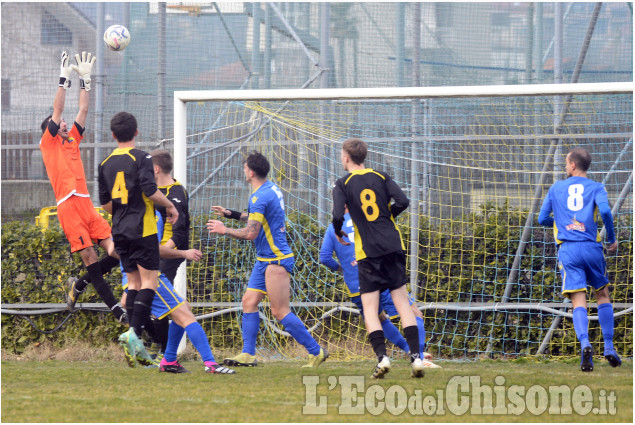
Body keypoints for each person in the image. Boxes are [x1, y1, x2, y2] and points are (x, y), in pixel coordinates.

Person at [207, 151, 328, 368]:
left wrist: (224, 230)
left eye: (245, 168)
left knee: (279, 311)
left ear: (251, 172)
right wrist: (231, 214)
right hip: (264, 259)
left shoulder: (260, 195)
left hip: (276, 259)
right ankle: (248, 354)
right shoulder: (269, 188)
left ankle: (316, 351)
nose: (243, 171)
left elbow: (251, 233)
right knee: (249, 302)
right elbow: (256, 216)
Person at [39, 51, 125, 323]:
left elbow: (83, 110)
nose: (64, 123)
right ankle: (117, 311)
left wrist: (86, 80)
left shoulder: (72, 140)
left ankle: (79, 285)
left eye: (64, 123)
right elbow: (58, 111)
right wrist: (63, 79)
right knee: (89, 255)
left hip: (87, 205)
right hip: (68, 208)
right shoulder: (48, 144)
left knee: (118, 252)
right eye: (59, 124)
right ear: (50, 131)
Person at [332, 138, 424, 379]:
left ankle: (383, 358)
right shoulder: (382, 176)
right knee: (403, 304)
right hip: (393, 245)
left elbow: (336, 215)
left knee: (371, 309)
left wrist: (338, 231)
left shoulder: (342, 183)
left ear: (346, 157)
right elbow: (403, 201)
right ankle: (416, 358)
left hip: (368, 252)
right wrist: (388, 216)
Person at [98, 111, 179, 363]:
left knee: (132, 284)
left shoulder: (104, 163)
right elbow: (150, 189)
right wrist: (169, 206)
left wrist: (123, 208)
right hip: (142, 229)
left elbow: (106, 205)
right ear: (136, 132)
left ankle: (134, 339)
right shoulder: (142, 157)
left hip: (119, 231)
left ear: (113, 135)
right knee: (150, 283)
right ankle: (135, 334)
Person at [320, 208, 437, 367]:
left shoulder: (332, 228)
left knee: (378, 319)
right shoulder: (369, 219)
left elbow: (325, 258)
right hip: (380, 277)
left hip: (355, 285)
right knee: (413, 312)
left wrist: (343, 269)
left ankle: (407, 351)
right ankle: (420, 357)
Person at [538, 147, 621, 372]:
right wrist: (611, 238)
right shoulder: (597, 187)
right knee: (602, 294)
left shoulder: (556, 188)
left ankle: (585, 344)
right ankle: (610, 347)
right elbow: (605, 212)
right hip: (592, 248)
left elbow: (542, 218)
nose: (566, 167)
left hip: (569, 250)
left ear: (573, 165)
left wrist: (562, 223)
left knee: (578, 299)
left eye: (566, 163)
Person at [120, 212, 235, 374]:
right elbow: (154, 249)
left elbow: (114, 250)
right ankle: (210, 364)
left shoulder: (123, 215)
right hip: (149, 278)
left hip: (132, 276)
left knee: (184, 308)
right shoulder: (148, 215)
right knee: (185, 316)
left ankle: (169, 359)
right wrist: (184, 253)